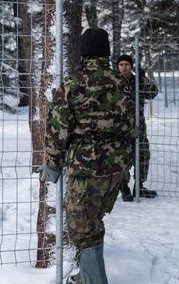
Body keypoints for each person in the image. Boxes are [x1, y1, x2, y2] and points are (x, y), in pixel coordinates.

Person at [36, 28, 136, 283]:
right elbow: (129, 124)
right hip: (116, 168)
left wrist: (53, 163)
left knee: (82, 230)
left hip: (85, 169)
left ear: (83, 51)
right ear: (106, 51)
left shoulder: (72, 84)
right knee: (94, 222)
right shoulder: (121, 82)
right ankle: (87, 276)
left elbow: (57, 129)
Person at [116, 54, 159, 201]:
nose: (124, 67)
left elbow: (152, 93)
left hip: (138, 127)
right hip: (120, 128)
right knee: (122, 159)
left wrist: (142, 78)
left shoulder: (137, 81)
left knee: (143, 155)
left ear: (131, 66)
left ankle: (139, 187)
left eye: (127, 64)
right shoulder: (113, 82)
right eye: (121, 64)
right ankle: (124, 188)